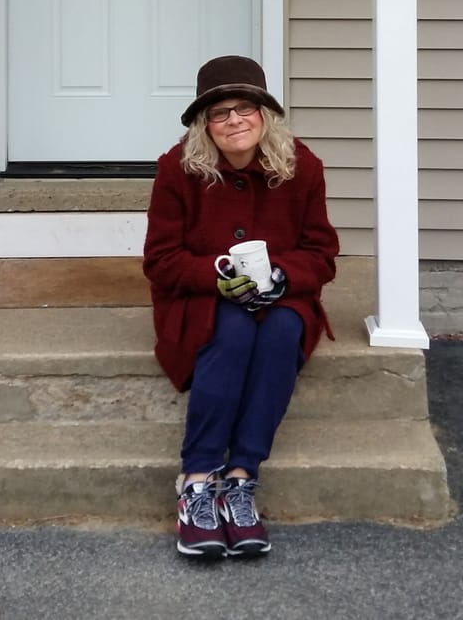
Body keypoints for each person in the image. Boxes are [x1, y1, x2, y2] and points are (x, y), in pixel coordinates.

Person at [143, 55, 339, 559]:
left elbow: (321, 253)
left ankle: (240, 477)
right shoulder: (176, 170)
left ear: (264, 115)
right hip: (201, 299)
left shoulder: (302, 166)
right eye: (219, 112)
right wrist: (215, 275)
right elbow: (161, 261)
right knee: (230, 333)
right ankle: (197, 480)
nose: (234, 121)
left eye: (244, 108)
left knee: (276, 335)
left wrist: (282, 277)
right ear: (203, 124)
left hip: (281, 296)